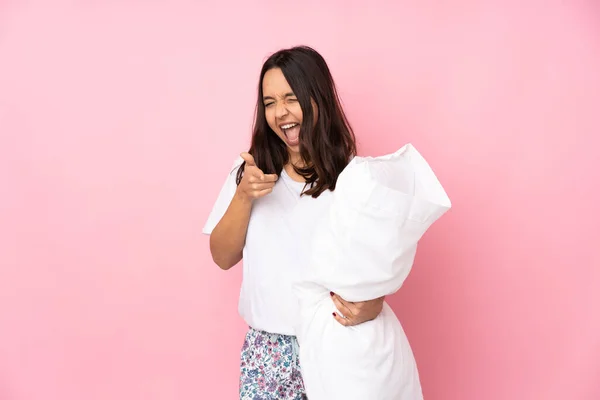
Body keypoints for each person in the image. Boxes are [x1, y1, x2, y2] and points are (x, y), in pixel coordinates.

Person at [202, 45, 385, 399]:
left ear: (318, 99)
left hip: (336, 342)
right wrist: (243, 196)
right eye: (269, 102)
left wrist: (372, 304)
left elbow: (374, 266)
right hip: (267, 351)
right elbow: (222, 256)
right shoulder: (250, 173)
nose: (280, 112)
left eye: (291, 98)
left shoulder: (355, 177)